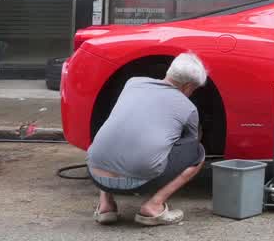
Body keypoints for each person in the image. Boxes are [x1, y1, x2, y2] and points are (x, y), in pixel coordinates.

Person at [86, 52, 207, 227]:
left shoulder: (132, 83)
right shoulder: (188, 108)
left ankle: (106, 206)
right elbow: (191, 141)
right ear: (188, 86)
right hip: (138, 182)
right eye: (194, 89)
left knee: (113, 136)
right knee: (197, 152)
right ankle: (153, 206)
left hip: (95, 172)